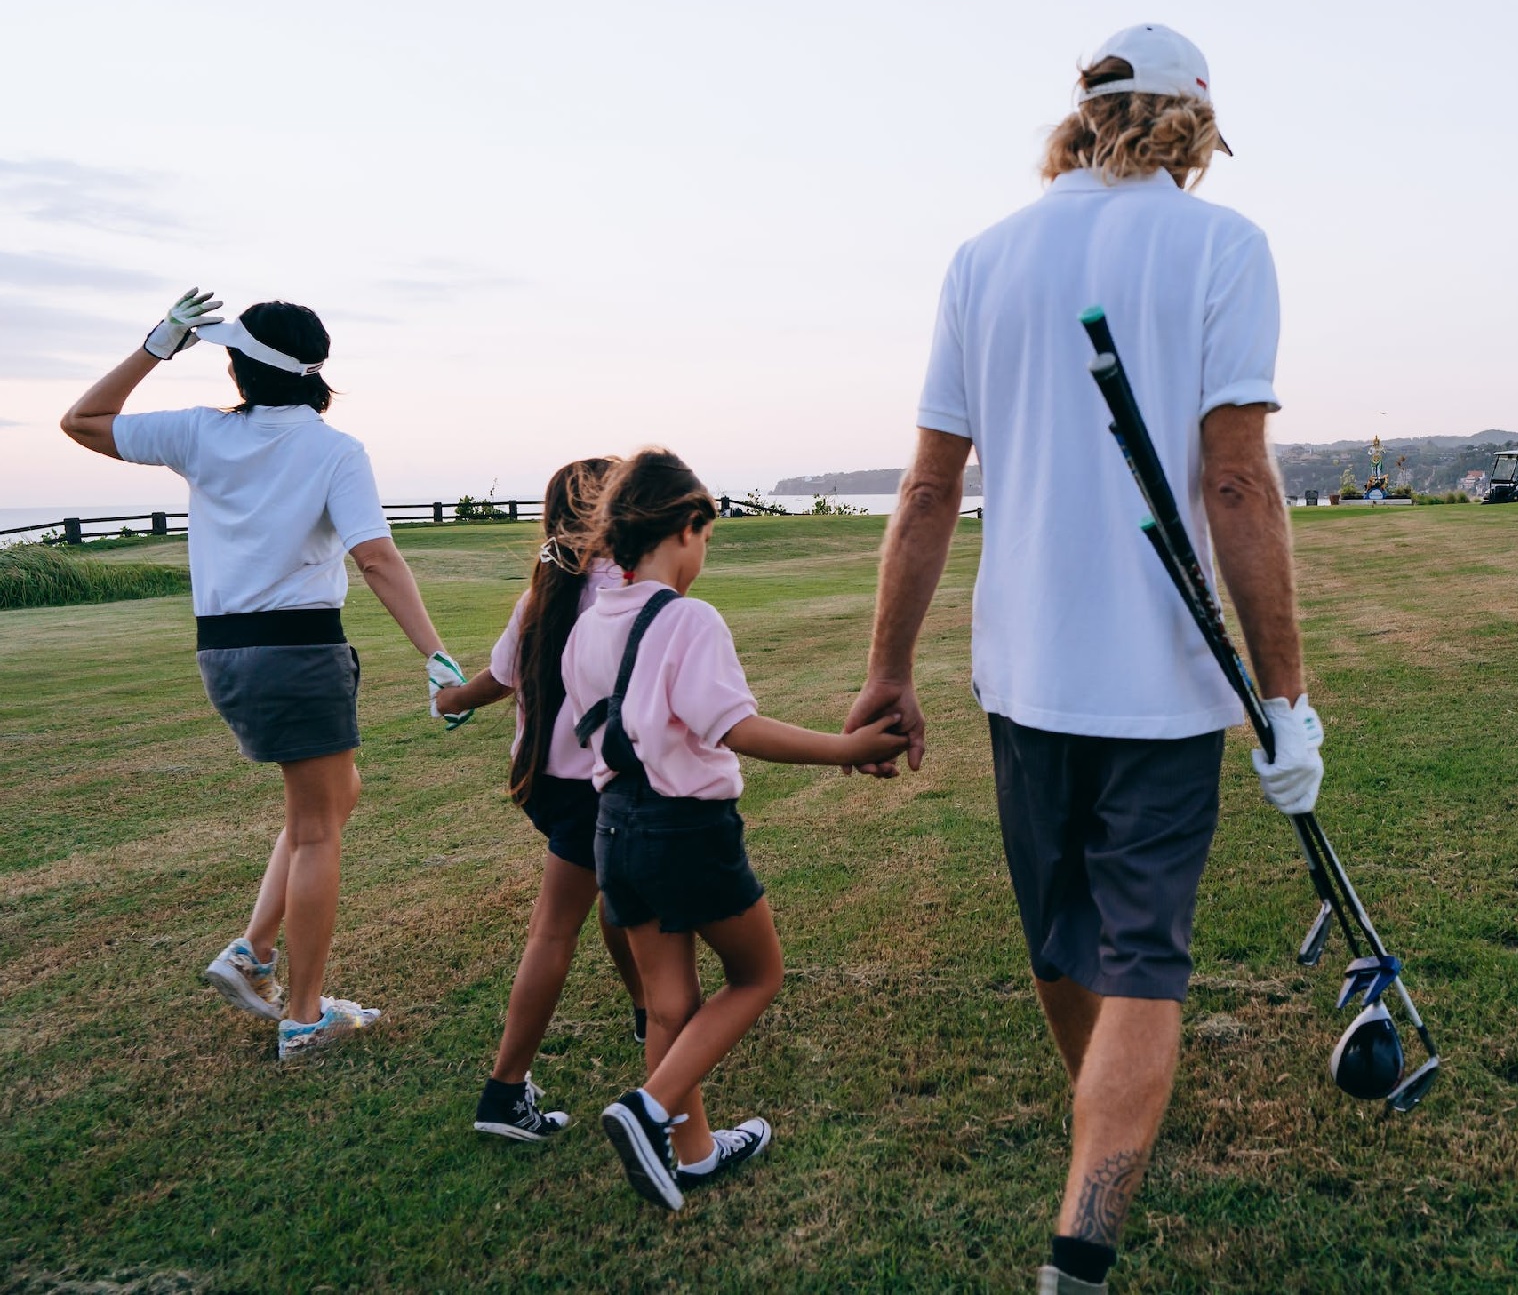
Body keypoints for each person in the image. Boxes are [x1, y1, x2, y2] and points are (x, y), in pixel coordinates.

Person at [840, 26, 1325, 1293]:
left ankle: (1102, 1118)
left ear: (1080, 116)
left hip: (1021, 678)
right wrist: (1284, 696)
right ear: (1194, 126)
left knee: (1064, 942)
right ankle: (1082, 1243)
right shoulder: (1223, 246)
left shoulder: (982, 256)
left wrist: (889, 665)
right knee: (1142, 958)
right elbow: (1234, 477)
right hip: (1161, 684)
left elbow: (926, 488)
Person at [58, 291, 471, 1062]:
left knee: (334, 797)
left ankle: (250, 952)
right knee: (318, 827)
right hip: (297, 651)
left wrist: (156, 345)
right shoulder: (334, 450)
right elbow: (375, 556)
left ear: (241, 366)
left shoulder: (201, 433)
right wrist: (435, 653)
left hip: (224, 653)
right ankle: (304, 1013)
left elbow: (83, 421)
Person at [563, 448, 909, 1210]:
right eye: (707, 538)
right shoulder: (689, 619)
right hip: (687, 831)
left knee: (668, 1005)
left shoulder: (587, 628)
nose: (704, 556)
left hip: (614, 830)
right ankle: (649, 1107)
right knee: (758, 975)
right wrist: (847, 749)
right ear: (686, 525)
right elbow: (737, 728)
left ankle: (692, 1154)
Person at [431, 458, 651, 1140]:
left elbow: (501, 677)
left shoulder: (541, 595)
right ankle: (503, 1093)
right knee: (558, 928)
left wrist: (453, 699)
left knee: (615, 895)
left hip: (546, 788)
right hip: (596, 789)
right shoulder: (628, 594)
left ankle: (648, 1008)